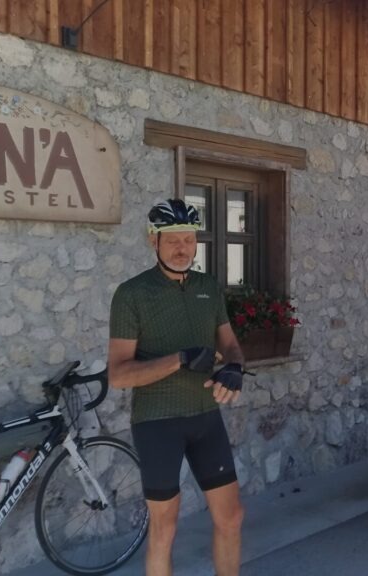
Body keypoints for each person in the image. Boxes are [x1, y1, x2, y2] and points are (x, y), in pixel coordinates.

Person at [107, 198, 245, 576]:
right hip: (157, 422)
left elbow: (230, 345)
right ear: (154, 241)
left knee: (231, 517)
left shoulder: (208, 288)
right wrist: (180, 358)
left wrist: (235, 368)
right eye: (172, 240)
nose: (182, 248)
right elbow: (118, 375)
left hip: (205, 416)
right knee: (164, 530)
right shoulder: (132, 294)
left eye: (188, 239)